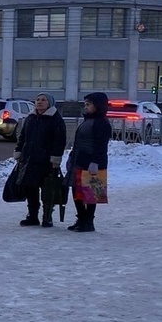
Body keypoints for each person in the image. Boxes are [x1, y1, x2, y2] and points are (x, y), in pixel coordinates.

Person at [12, 92, 66, 227]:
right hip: (29, 159)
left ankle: (47, 216)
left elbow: (59, 141)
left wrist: (55, 159)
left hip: (46, 161)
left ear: (50, 103)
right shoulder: (30, 118)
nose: (39, 102)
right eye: (37, 100)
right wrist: (19, 151)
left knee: (47, 189)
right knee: (30, 189)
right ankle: (32, 216)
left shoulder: (55, 119)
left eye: (43, 100)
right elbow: (23, 136)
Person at [66, 91, 111, 232]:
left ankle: (88, 221)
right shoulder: (88, 120)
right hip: (79, 160)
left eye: (88, 104)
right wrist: (72, 156)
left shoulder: (101, 122)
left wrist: (95, 162)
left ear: (98, 105)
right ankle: (81, 218)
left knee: (90, 193)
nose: (85, 107)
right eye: (85, 104)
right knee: (77, 190)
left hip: (92, 163)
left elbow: (101, 145)